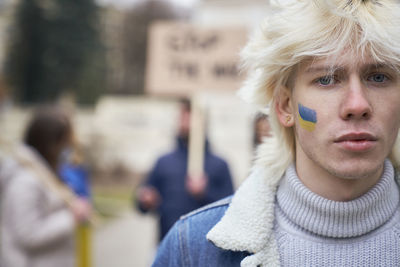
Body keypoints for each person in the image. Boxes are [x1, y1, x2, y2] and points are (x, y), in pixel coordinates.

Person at [151, 0, 400, 266]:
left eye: (378, 77)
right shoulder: (193, 248)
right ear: (284, 106)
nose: (357, 105)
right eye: (326, 79)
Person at [1, 106, 91, 267]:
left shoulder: (45, 175)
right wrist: (72, 217)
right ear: (51, 144)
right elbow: (29, 234)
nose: (68, 149)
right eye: (65, 143)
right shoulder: (25, 181)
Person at [135, 98, 234, 241]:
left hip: (204, 248)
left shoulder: (219, 164)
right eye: (181, 115)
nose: (184, 120)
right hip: (167, 243)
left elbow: (230, 209)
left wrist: (205, 193)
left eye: (189, 115)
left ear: (203, 121)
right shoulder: (163, 162)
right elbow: (143, 203)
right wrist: (145, 199)